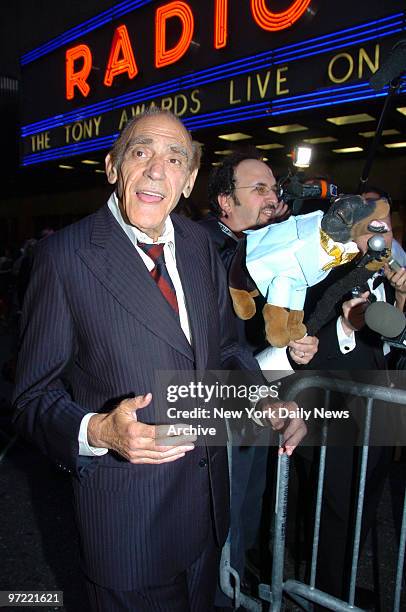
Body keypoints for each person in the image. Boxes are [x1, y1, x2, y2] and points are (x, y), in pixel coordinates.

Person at [12, 109, 306, 612]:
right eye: (141, 152)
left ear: (189, 180)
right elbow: (31, 398)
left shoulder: (198, 248)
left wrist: (266, 399)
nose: (155, 170)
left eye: (174, 159)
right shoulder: (64, 257)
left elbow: (228, 349)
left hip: (207, 511)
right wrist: (97, 431)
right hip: (129, 526)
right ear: (112, 166)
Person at [200, 153, 316, 608]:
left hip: (253, 406)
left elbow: (247, 348)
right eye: (259, 189)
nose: (273, 197)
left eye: (274, 188)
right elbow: (218, 346)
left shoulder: (272, 247)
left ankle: (237, 588)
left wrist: (287, 353)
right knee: (218, 523)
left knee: (247, 510)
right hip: (212, 413)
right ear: (225, 201)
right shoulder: (204, 247)